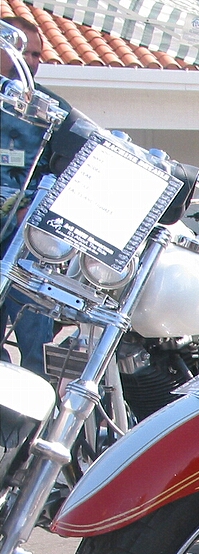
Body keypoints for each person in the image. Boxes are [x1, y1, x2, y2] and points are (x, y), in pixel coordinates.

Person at [1, 14, 72, 374]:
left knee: (38, 353)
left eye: (37, 55)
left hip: (28, 249)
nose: (31, 62)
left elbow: (71, 169)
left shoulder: (52, 111)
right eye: (23, 53)